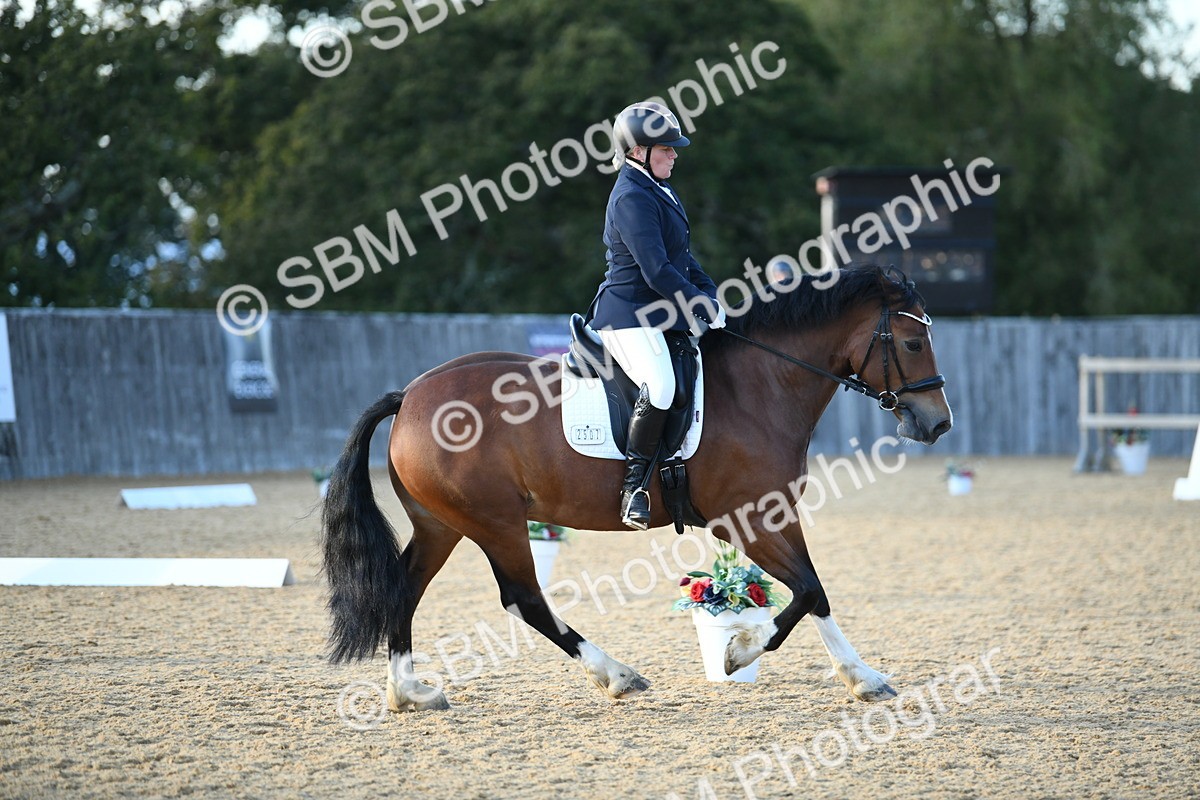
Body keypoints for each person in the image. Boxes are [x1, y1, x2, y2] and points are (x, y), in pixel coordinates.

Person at [585, 101, 726, 530]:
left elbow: (682, 260)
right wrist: (698, 306)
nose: (675, 154)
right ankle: (634, 489)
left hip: (661, 314)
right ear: (638, 150)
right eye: (666, 148)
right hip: (628, 313)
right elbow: (656, 270)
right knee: (661, 385)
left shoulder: (658, 188)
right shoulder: (631, 196)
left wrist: (710, 295)